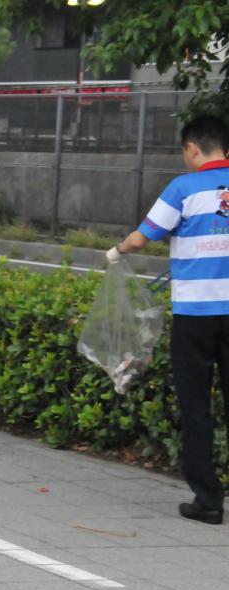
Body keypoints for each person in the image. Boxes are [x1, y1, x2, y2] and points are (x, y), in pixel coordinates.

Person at [106, 115, 229, 525]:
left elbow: (143, 237)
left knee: (196, 408)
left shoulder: (183, 188)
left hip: (196, 317)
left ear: (192, 149)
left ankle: (208, 501)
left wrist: (119, 249)